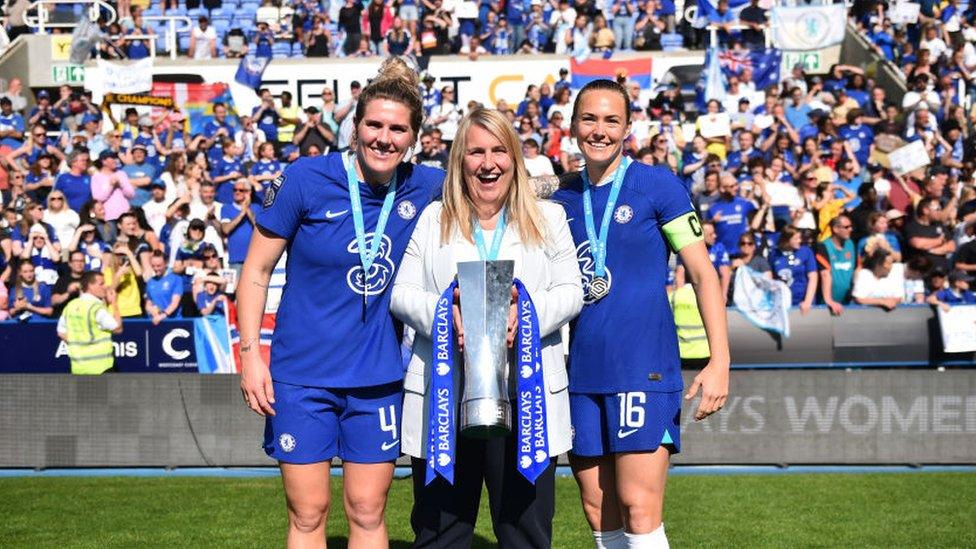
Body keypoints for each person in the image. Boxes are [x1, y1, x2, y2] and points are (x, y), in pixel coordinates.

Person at [236, 57, 445, 547]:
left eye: (398, 129)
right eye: (374, 124)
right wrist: (250, 356)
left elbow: (497, 183)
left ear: (413, 138)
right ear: (355, 126)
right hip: (301, 375)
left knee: (368, 511)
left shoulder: (428, 186)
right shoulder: (305, 180)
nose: (383, 138)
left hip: (378, 380)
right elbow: (255, 272)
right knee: (308, 514)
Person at [391, 108, 582, 547]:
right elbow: (401, 293)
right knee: (441, 535)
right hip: (446, 398)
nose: (488, 162)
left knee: (525, 536)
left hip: (525, 399)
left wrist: (528, 315)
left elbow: (572, 291)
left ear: (515, 159)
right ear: (460, 160)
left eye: (499, 150)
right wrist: (445, 312)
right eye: (476, 151)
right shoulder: (433, 218)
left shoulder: (548, 219)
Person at [550, 79, 729, 548]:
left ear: (629, 127)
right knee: (596, 507)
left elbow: (705, 276)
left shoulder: (658, 186)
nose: (600, 130)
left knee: (638, 503)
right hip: (580, 373)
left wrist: (720, 361)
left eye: (612, 120)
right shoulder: (561, 197)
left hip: (642, 367)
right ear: (572, 126)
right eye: (589, 118)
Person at [56, 271, 123, 375]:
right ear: (90, 286)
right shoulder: (96, 308)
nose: (105, 287)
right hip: (102, 367)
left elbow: (61, 332)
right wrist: (114, 303)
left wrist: (79, 345)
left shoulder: (70, 306)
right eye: (101, 284)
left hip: (78, 368)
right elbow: (118, 328)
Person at [815, 214, 856, 315]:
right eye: (846, 227)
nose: (850, 229)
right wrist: (829, 301)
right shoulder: (823, 246)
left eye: (851, 226)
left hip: (848, 303)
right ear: (835, 229)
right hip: (827, 304)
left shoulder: (851, 244)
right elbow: (825, 274)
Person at [772, 225, 818, 313]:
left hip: (802, 302)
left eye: (800, 238)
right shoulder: (775, 253)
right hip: (782, 303)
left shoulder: (806, 252)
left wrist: (807, 301)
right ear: (787, 240)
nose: (799, 241)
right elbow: (772, 277)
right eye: (796, 238)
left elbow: (813, 277)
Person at [852, 247, 904, 311]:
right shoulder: (864, 274)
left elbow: (898, 297)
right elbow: (859, 298)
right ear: (878, 264)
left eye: (892, 263)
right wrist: (882, 302)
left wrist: (888, 302)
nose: (891, 267)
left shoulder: (895, 274)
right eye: (888, 264)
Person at [145, 251, 184, 324]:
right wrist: (151, 310)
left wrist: (163, 315)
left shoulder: (176, 279)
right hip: (155, 322)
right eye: (153, 266)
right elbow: (148, 303)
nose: (156, 268)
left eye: (159, 266)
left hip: (173, 322)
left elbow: (174, 303)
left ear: (166, 263)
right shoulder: (150, 282)